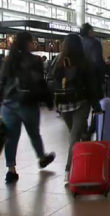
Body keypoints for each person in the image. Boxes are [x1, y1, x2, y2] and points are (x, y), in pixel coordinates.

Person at [0, 32, 55, 183]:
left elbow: (2, 82)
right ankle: (41, 157)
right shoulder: (34, 60)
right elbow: (40, 83)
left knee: (11, 137)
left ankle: (11, 170)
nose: (34, 44)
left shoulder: (8, 60)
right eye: (32, 41)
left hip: (9, 104)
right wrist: (49, 100)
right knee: (34, 133)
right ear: (28, 43)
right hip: (28, 103)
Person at [51, 34, 102, 182]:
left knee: (74, 134)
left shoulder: (58, 61)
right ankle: (71, 169)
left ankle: (73, 168)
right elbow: (91, 86)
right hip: (81, 101)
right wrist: (96, 105)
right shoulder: (85, 62)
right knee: (75, 136)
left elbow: (53, 80)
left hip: (64, 103)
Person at [80, 23, 106, 98]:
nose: (94, 32)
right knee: (98, 100)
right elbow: (97, 60)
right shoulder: (95, 42)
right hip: (94, 75)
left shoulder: (80, 42)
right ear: (89, 31)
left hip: (83, 75)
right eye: (93, 30)